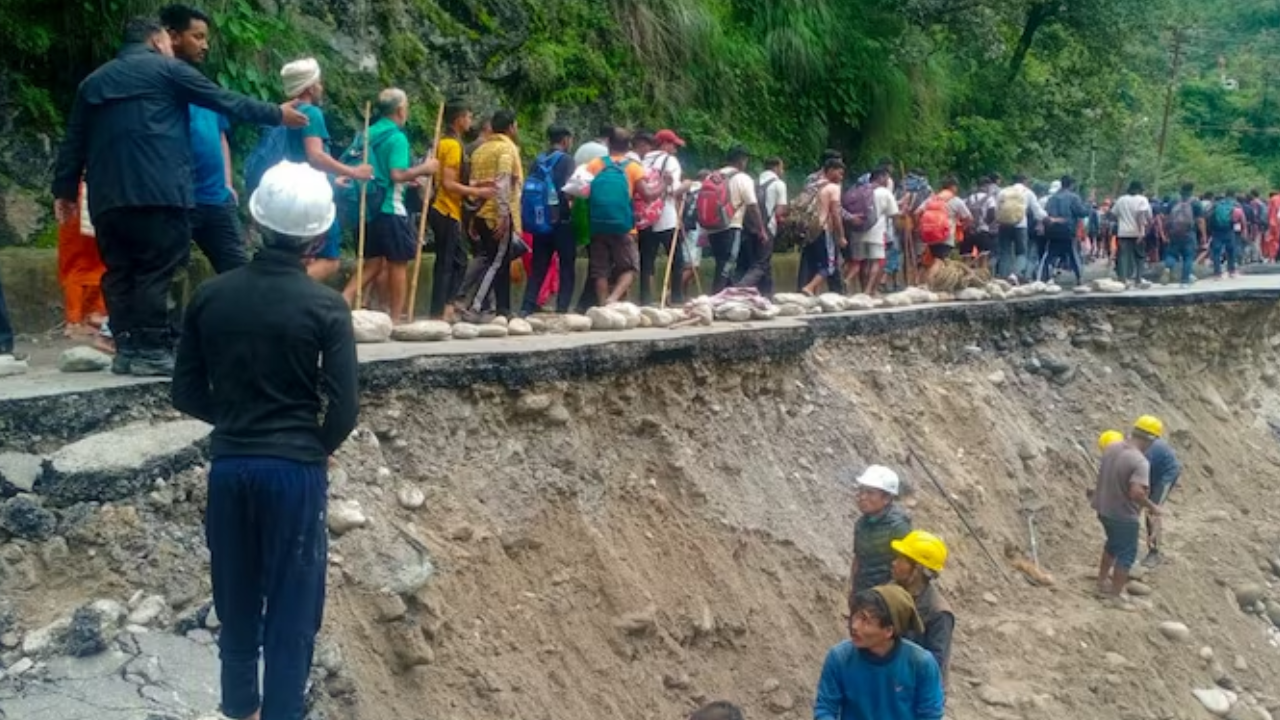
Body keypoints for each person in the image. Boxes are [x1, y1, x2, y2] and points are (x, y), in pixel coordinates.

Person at [171, 161, 358, 720]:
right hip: (295, 473)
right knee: (293, 605)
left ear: (255, 225)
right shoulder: (326, 306)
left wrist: (233, 418)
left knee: (237, 597)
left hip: (231, 467)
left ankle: (239, 710)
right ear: (319, 236)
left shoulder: (211, 296)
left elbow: (185, 391)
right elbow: (345, 406)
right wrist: (314, 441)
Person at [52, 17, 306, 377]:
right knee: (156, 269)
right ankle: (153, 351)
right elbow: (223, 99)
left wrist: (64, 191)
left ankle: (127, 350)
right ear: (157, 41)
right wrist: (276, 114)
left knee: (120, 271)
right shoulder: (167, 71)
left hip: (108, 197)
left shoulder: (93, 83)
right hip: (159, 191)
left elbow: (73, 140)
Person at [161, 3, 246, 274]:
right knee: (168, 275)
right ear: (173, 37)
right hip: (175, 201)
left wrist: (228, 183)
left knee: (238, 272)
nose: (205, 45)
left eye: (205, 38)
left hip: (216, 198)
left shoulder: (204, 87)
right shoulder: (156, 85)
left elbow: (220, 135)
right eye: (197, 37)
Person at [341, 89, 439, 321]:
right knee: (398, 263)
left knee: (373, 263)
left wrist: (408, 176)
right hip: (389, 207)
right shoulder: (397, 137)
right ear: (400, 110)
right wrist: (424, 169)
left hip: (368, 207)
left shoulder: (367, 133)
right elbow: (396, 174)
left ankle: (343, 298)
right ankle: (395, 319)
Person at [278, 58, 374, 282]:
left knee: (303, 256)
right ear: (310, 87)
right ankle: (286, 291)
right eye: (319, 83)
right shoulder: (311, 113)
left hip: (287, 192)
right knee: (329, 260)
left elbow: (297, 156)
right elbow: (315, 156)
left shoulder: (284, 112)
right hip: (310, 197)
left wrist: (333, 179)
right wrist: (354, 172)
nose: (321, 87)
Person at [814, 585, 945, 720]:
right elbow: (825, 709)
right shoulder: (839, 658)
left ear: (888, 631)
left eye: (865, 620)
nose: (854, 626)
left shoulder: (920, 664)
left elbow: (930, 715)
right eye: (855, 616)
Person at [430, 99, 495, 321]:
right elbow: (448, 183)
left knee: (455, 260)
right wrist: (478, 193)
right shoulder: (451, 145)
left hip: (450, 209)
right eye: (468, 116)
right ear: (459, 119)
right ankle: (441, 310)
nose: (470, 121)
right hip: (444, 208)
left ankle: (445, 307)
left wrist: (478, 184)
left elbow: (457, 179)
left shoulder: (451, 143)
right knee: (449, 263)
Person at [457, 109, 522, 321]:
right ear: (511, 127)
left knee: (497, 262)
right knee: (497, 262)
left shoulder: (480, 151)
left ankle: (503, 309)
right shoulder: (507, 149)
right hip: (499, 214)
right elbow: (503, 183)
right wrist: (504, 215)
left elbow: (473, 184)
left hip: (481, 212)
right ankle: (475, 306)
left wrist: (473, 215)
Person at [1092, 415, 1163, 597]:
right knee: (1126, 554)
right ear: (1151, 439)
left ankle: (1101, 581)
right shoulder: (1140, 461)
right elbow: (1136, 493)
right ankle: (1115, 596)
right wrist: (1152, 506)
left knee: (1112, 544)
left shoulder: (1112, 448)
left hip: (1103, 508)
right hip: (1123, 514)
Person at [582, 127, 650, 305]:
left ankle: (602, 304)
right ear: (628, 146)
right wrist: (664, 185)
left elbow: (582, 191)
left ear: (608, 143)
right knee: (630, 268)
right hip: (624, 226)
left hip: (597, 225)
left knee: (600, 270)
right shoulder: (634, 167)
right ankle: (613, 299)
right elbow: (648, 195)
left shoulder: (595, 164)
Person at [520, 125, 576, 316]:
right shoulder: (568, 160)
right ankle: (562, 308)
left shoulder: (538, 161)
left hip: (540, 221)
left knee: (538, 267)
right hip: (562, 221)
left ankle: (526, 306)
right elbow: (570, 190)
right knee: (567, 264)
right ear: (565, 140)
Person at [890, 530, 955, 687]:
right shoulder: (890, 592)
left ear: (918, 569)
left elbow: (933, 665)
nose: (894, 563)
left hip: (917, 693)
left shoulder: (938, 613)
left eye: (901, 559)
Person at [701, 146, 764, 293]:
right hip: (731, 226)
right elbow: (753, 207)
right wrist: (761, 229)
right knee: (727, 263)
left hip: (711, 226)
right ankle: (715, 297)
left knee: (721, 261)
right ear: (742, 161)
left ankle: (726, 295)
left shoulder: (712, 176)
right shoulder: (743, 178)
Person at [637, 129, 687, 305]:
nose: (675, 149)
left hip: (644, 216)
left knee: (647, 259)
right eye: (674, 145)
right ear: (665, 144)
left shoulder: (641, 160)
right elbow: (673, 190)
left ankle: (646, 300)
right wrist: (687, 185)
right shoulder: (670, 160)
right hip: (666, 216)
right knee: (676, 258)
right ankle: (676, 298)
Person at [849, 464, 912, 600]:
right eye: (861, 491)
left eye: (870, 493)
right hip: (862, 592)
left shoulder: (898, 528)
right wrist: (852, 591)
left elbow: (905, 569)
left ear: (887, 498)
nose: (862, 497)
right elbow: (858, 559)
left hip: (885, 599)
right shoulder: (861, 524)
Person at [57, 182, 108, 340]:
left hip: (77, 196)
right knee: (101, 262)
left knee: (74, 266)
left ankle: (75, 320)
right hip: (104, 195)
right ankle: (95, 314)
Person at [736, 156, 787, 294]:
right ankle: (739, 289)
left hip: (749, 228)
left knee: (760, 263)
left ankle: (767, 295)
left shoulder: (753, 182)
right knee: (761, 264)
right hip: (767, 228)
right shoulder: (779, 184)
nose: (782, 171)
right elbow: (780, 211)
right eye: (782, 167)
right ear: (776, 167)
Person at [847, 168, 898, 296]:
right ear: (880, 177)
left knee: (862, 261)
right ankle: (869, 291)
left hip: (858, 231)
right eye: (886, 178)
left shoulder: (860, 190)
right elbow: (894, 214)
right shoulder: (884, 192)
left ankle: (860, 289)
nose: (888, 181)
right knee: (876, 261)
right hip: (877, 232)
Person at [800, 159, 846, 296]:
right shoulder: (833, 188)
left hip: (809, 229)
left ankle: (813, 293)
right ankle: (809, 287)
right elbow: (836, 214)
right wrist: (841, 236)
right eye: (840, 173)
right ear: (831, 170)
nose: (841, 177)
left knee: (814, 264)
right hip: (823, 229)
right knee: (828, 265)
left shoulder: (813, 185)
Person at [914, 176, 971, 279]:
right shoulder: (956, 200)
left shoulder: (932, 198)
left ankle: (919, 282)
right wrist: (962, 228)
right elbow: (969, 218)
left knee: (928, 259)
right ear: (952, 187)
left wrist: (920, 227)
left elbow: (917, 213)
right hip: (946, 236)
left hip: (930, 235)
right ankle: (928, 283)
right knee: (939, 261)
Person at [994, 174, 1046, 282]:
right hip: (1020, 225)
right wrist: (1047, 218)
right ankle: (1015, 274)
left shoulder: (1003, 192)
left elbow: (997, 209)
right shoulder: (1028, 192)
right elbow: (1037, 211)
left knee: (1005, 252)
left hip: (1004, 225)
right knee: (1022, 252)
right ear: (1025, 181)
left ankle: (1004, 278)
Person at [1037, 175, 1089, 284]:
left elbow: (1046, 214)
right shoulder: (1074, 197)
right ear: (1071, 185)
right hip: (1068, 230)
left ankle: (1043, 277)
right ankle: (1079, 278)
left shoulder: (1052, 198)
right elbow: (1082, 212)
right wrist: (1088, 206)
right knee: (1073, 254)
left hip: (1052, 230)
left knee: (1049, 254)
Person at [1142, 434, 1181, 568]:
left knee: (1152, 511)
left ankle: (1154, 552)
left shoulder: (1144, 456)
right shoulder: (1124, 452)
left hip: (1166, 474)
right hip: (1153, 470)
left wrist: (1148, 502)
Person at [1163, 183, 1204, 287]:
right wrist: (1203, 235)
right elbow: (1200, 220)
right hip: (1189, 233)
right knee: (1188, 257)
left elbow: (1166, 218)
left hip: (1174, 233)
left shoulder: (1173, 201)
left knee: (1172, 254)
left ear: (1180, 190)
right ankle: (1184, 281)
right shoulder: (1195, 203)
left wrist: (1166, 232)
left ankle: (1167, 267)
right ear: (1192, 190)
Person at [1111, 182, 1152, 288]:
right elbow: (1142, 216)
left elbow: (1113, 214)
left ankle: (1123, 279)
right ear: (1139, 189)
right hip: (1137, 232)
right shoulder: (1142, 200)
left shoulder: (1120, 200)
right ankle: (1138, 279)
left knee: (1123, 257)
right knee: (1140, 256)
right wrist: (1141, 232)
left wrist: (1123, 221)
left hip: (1123, 232)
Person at [961, 175, 997, 266]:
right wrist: (986, 223)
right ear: (986, 186)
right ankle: (982, 277)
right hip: (982, 231)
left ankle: (965, 277)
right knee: (983, 258)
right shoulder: (990, 198)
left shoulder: (968, 198)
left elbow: (963, 214)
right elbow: (992, 215)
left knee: (966, 258)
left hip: (968, 231)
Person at [1207, 191, 1242, 279]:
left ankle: (1217, 273)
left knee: (1216, 252)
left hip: (1217, 231)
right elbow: (1240, 217)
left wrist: (1210, 230)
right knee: (1230, 251)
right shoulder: (1233, 205)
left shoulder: (1214, 206)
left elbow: (1208, 217)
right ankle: (1232, 271)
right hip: (1229, 230)